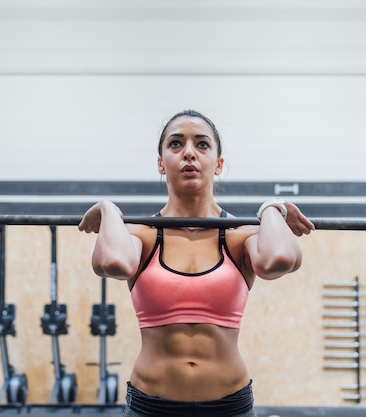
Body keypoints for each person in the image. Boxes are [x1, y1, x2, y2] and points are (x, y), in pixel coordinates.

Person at [78, 109, 315, 417]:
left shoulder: (238, 235)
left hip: (229, 407)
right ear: (161, 163)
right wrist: (108, 208)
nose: (189, 152)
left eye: (202, 144)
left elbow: (279, 260)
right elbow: (112, 263)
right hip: (150, 407)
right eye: (176, 144)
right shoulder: (143, 234)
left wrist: (271, 208)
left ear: (218, 164)